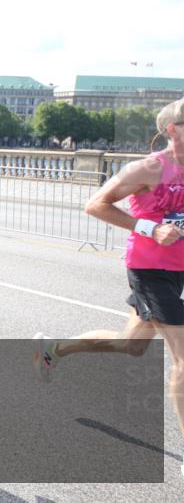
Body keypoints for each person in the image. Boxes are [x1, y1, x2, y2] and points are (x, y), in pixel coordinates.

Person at [33, 98, 184, 473]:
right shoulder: (148, 168)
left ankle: (53, 348)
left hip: (178, 268)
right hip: (150, 268)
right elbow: (96, 204)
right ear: (173, 130)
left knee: (130, 345)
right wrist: (150, 227)